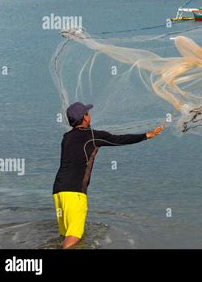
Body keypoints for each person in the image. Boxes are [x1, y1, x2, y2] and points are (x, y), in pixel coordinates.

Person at [52, 102, 163, 249]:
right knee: (75, 236)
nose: (89, 115)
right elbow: (119, 139)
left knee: (66, 234)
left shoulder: (66, 137)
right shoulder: (93, 136)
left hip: (58, 191)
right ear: (85, 118)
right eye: (87, 113)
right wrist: (147, 135)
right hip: (75, 192)